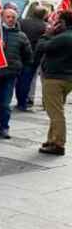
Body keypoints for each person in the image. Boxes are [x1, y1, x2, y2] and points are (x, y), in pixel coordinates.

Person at [0, 8, 33, 139]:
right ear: (2, 17)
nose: (10, 19)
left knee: (5, 104)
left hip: (10, 74)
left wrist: (19, 70)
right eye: (8, 17)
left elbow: (28, 57)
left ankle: (4, 128)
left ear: (16, 19)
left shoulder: (21, 36)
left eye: (13, 17)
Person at [37, 10, 72, 155]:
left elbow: (41, 47)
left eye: (57, 21)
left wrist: (48, 34)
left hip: (55, 79)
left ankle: (58, 144)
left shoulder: (63, 37)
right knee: (56, 109)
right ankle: (51, 139)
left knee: (55, 113)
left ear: (62, 23)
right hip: (67, 79)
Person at [16, 5, 48, 110]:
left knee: (19, 78)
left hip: (19, 54)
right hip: (34, 56)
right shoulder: (45, 26)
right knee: (28, 79)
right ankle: (25, 101)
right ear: (44, 15)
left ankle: (20, 100)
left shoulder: (22, 22)